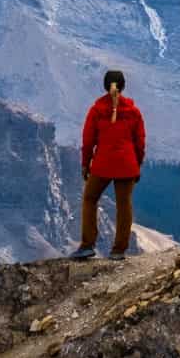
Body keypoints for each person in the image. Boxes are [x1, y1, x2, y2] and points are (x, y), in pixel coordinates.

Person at [71, 68, 146, 260]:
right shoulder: (134, 112)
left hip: (103, 164)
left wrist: (85, 164)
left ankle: (88, 245)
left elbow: (88, 141)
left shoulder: (96, 111)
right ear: (123, 86)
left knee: (90, 199)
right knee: (124, 204)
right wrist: (137, 164)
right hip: (127, 165)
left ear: (105, 86)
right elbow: (140, 142)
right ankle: (119, 250)